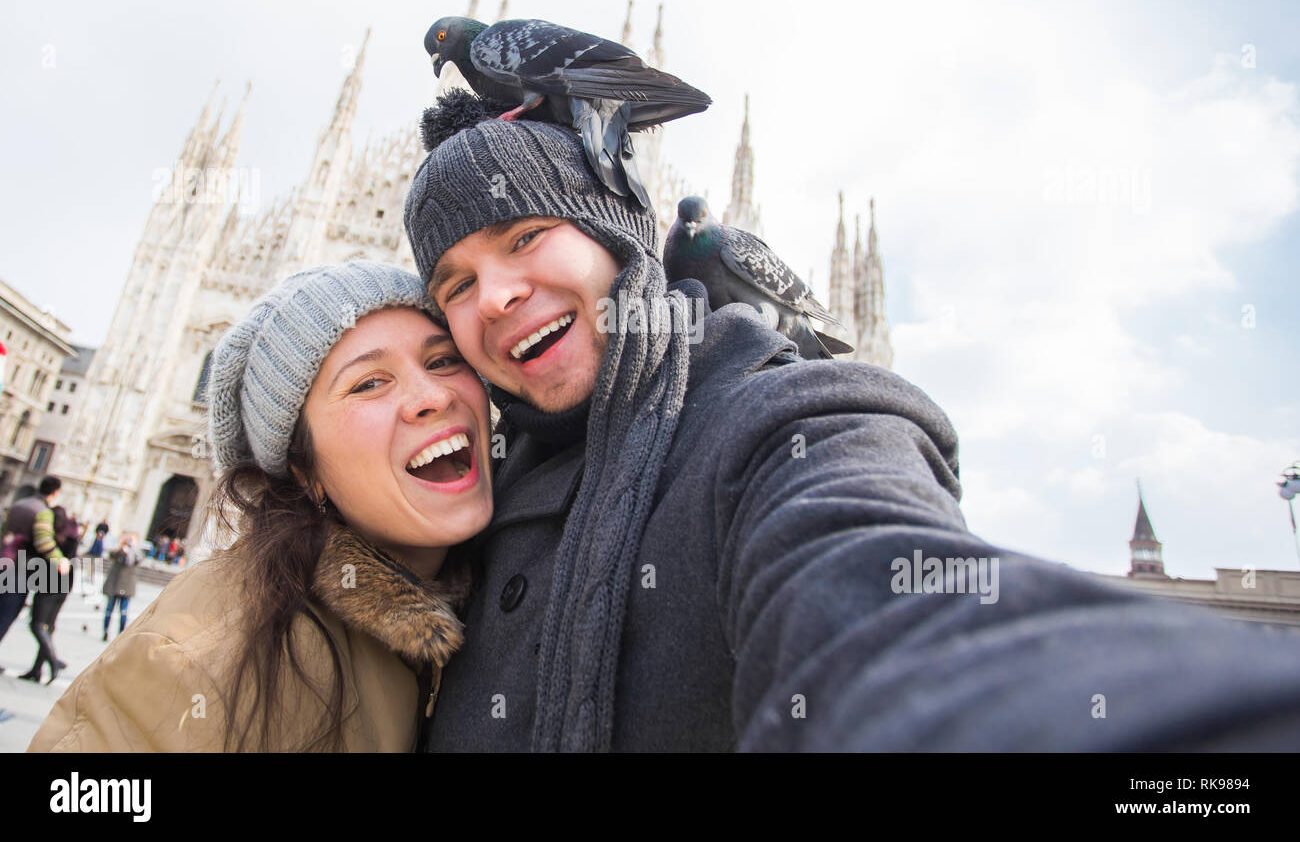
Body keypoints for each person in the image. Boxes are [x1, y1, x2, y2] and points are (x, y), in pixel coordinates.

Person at [403, 90, 1300, 752]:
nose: (501, 293)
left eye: (525, 238)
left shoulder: (780, 425)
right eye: (457, 284)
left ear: (618, 235)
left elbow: (887, 601)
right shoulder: (454, 510)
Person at [28, 261, 494, 752]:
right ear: (302, 473)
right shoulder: (211, 651)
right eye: (368, 383)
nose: (433, 396)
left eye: (443, 361)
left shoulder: (479, 607)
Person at [0, 476, 71, 646]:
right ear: (55, 492)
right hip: (19, 567)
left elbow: (4, 533)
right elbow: (43, 542)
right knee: (6, 615)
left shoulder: (19, 505)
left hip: (3, 560)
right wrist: (60, 561)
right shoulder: (43, 511)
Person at [17, 505, 80, 684]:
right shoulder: (72, 536)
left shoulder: (51, 539)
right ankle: (37, 670)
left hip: (48, 586)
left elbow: (35, 553)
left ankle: (53, 660)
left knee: (36, 624)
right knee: (49, 626)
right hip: (64, 587)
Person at [100, 530, 141, 642]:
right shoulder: (119, 549)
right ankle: (105, 632)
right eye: (128, 538)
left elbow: (136, 560)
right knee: (109, 610)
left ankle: (120, 635)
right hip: (114, 584)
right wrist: (121, 547)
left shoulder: (136, 552)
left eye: (132, 539)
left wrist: (132, 549)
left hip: (127, 586)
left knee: (123, 612)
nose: (129, 541)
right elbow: (112, 555)